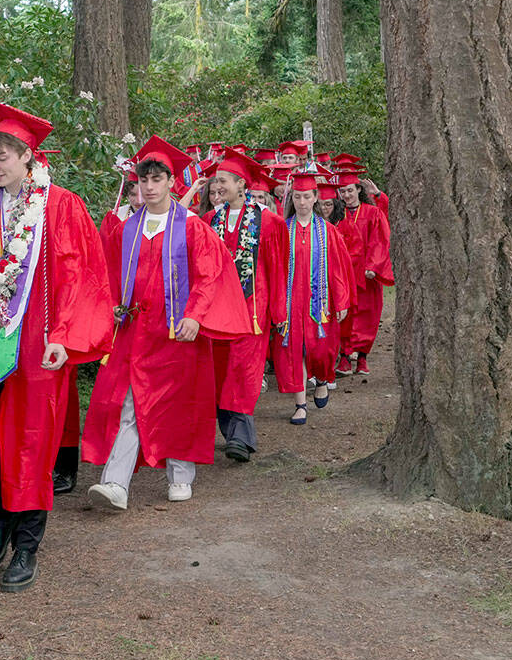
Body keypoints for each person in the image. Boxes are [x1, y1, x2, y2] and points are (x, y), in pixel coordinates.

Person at [0, 103, 113, 593]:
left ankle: (26, 544)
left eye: (3, 158)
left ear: (27, 156)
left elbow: (84, 275)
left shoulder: (60, 205)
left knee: (32, 439)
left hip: (39, 339)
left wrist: (66, 336)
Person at [82, 137, 250, 509]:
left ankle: (180, 474)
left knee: (180, 402)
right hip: (135, 331)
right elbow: (108, 273)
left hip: (177, 332)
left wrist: (195, 314)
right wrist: (111, 305)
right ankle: (115, 483)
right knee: (129, 400)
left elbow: (209, 276)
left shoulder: (191, 226)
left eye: (157, 179)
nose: (150, 186)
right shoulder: (128, 227)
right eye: (144, 180)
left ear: (172, 182)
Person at [200, 148, 287, 462]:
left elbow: (277, 268)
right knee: (221, 371)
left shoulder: (271, 222)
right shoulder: (210, 220)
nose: (218, 186)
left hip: (253, 309)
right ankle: (235, 435)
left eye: (223, 181)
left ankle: (239, 437)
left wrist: (279, 311)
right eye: (216, 181)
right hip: (217, 311)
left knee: (244, 369)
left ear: (241, 184)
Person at [269, 172, 353, 425]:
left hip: (320, 303)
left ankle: (323, 380)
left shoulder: (328, 232)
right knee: (293, 351)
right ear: (291, 198)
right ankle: (300, 405)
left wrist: (341, 300)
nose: (302, 202)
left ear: (315, 197)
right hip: (291, 302)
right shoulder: (283, 231)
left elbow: (338, 269)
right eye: (297, 197)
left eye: (306, 196)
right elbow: (275, 270)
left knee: (321, 350)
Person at [335, 172, 394, 377]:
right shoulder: (337, 214)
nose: (347, 195)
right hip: (344, 273)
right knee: (345, 315)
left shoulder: (372, 212)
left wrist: (374, 266)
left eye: (350, 190)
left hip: (367, 274)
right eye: (343, 191)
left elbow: (380, 240)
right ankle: (344, 357)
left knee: (367, 317)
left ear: (358, 190)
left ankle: (362, 358)